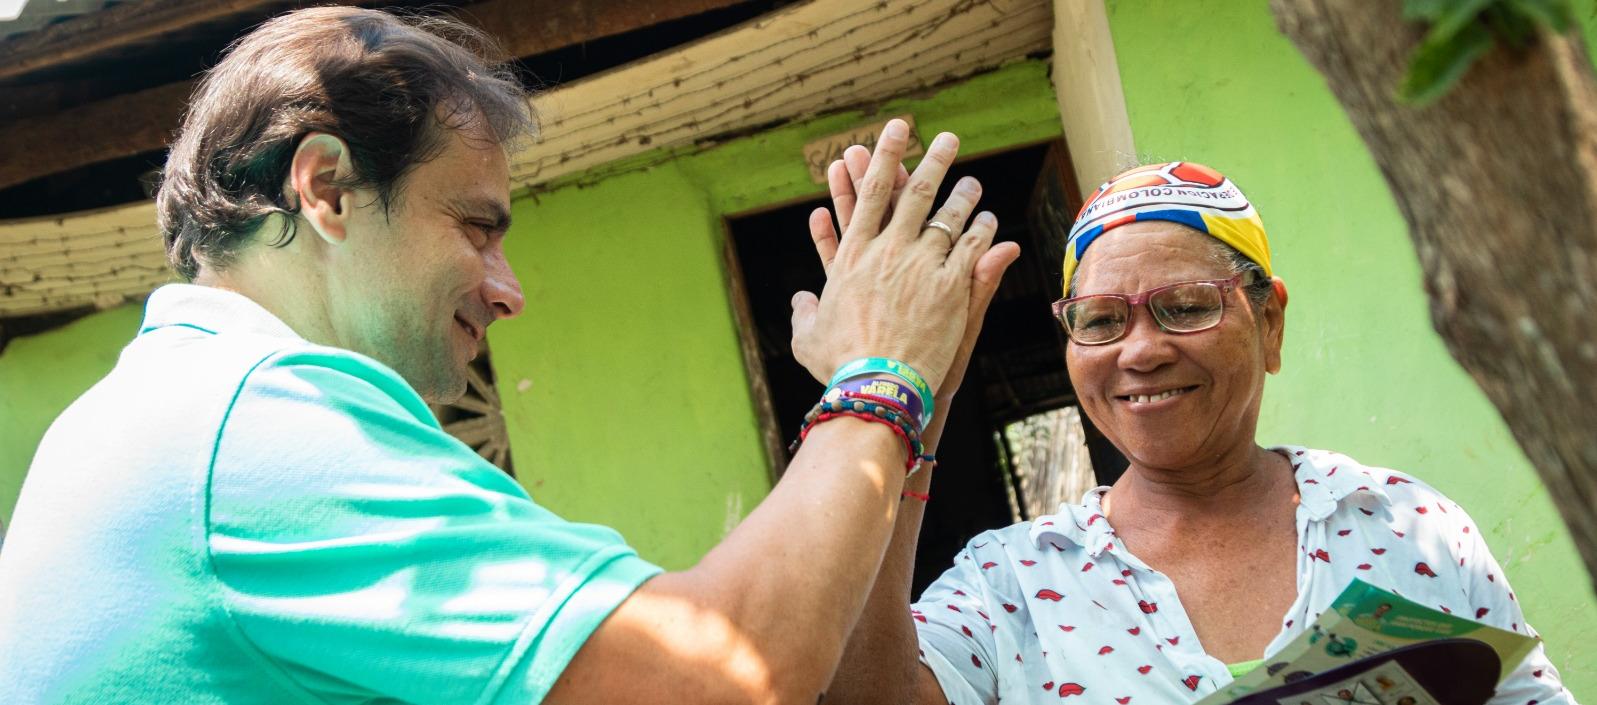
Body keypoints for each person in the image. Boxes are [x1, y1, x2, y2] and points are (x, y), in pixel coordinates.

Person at [0, 7, 1022, 704]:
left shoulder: (160, 413)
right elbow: (722, 670)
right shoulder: (254, 427)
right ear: (324, 188)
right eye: (476, 227)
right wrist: (880, 374)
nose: (507, 288)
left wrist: (895, 415)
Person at [807, 161, 1576, 703]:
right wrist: (913, 405)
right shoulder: (1013, 583)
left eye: (1183, 305)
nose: (1139, 350)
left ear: (1267, 320)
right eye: (1101, 320)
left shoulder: (1406, 528)